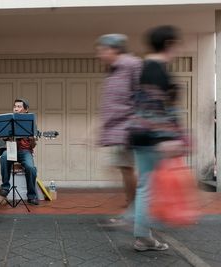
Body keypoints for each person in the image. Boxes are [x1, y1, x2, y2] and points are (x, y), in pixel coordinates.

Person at [130, 25, 183, 251]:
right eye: (176, 44)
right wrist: (169, 137)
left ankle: (141, 231)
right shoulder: (157, 70)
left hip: (140, 135)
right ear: (168, 43)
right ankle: (142, 234)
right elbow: (157, 108)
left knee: (146, 185)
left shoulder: (145, 68)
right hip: (153, 138)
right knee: (150, 187)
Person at [96, 34, 140, 207]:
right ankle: (133, 205)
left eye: (101, 51)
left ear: (113, 49)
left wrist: (135, 122)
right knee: (124, 168)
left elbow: (142, 95)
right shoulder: (113, 71)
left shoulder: (132, 65)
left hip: (129, 129)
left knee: (127, 169)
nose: (99, 55)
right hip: (118, 130)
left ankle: (135, 208)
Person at [0, 99, 39, 205]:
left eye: (19, 106)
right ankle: (5, 188)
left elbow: (33, 145)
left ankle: (31, 195)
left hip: (25, 151)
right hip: (11, 149)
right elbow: (1, 138)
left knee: (31, 168)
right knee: (4, 156)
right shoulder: (8, 121)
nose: (16, 108)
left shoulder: (31, 123)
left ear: (26, 110)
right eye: (15, 106)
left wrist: (33, 139)